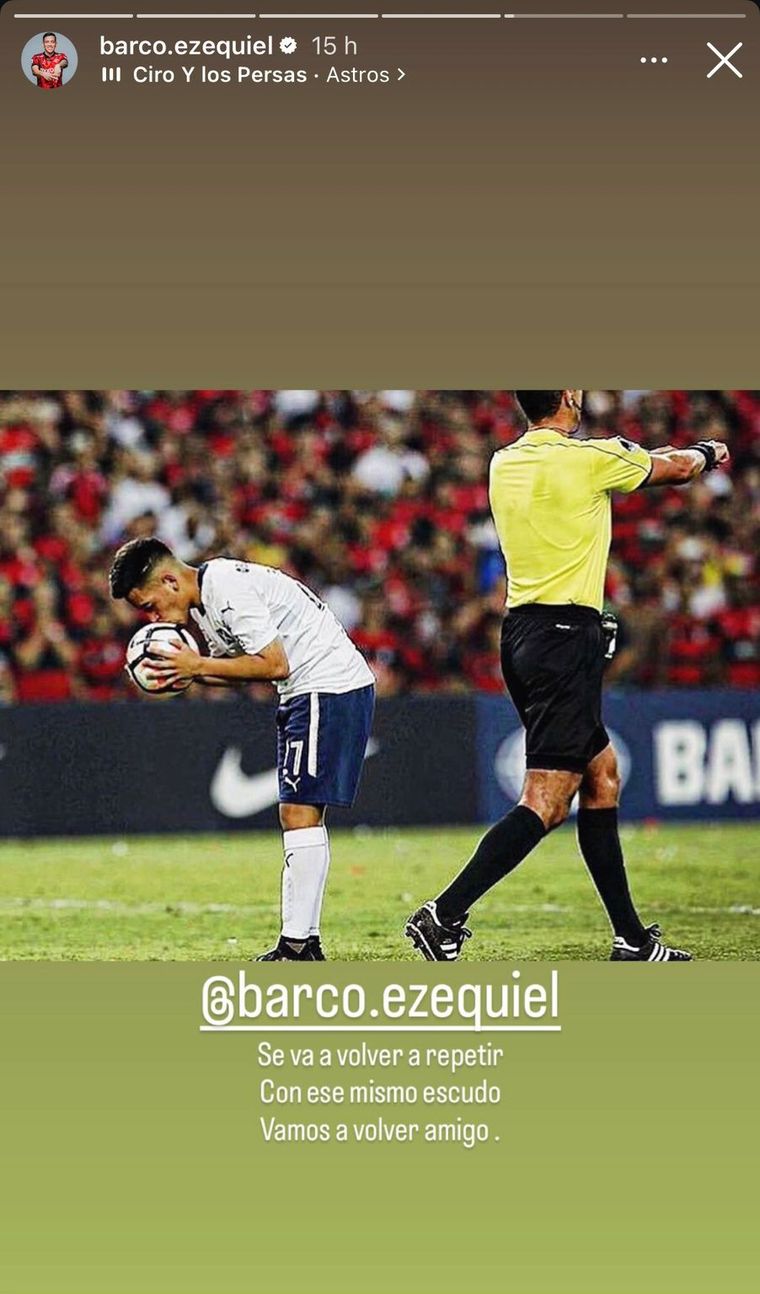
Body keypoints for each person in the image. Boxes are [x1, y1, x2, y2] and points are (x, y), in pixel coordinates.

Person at [405, 389, 730, 962]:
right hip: (564, 639)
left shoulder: (502, 461)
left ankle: (630, 939)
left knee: (601, 776)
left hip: (522, 635)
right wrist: (709, 449)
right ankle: (443, 915)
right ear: (569, 399)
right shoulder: (592, 457)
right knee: (548, 800)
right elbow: (676, 467)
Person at [109, 537, 375, 960]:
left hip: (326, 685)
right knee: (300, 813)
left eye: (151, 606)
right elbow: (237, 667)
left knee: (299, 812)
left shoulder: (226, 590)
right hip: (309, 690)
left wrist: (195, 666)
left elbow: (273, 663)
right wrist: (184, 674)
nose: (154, 617)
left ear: (169, 580)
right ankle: (301, 942)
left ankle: (298, 945)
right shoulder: (207, 601)